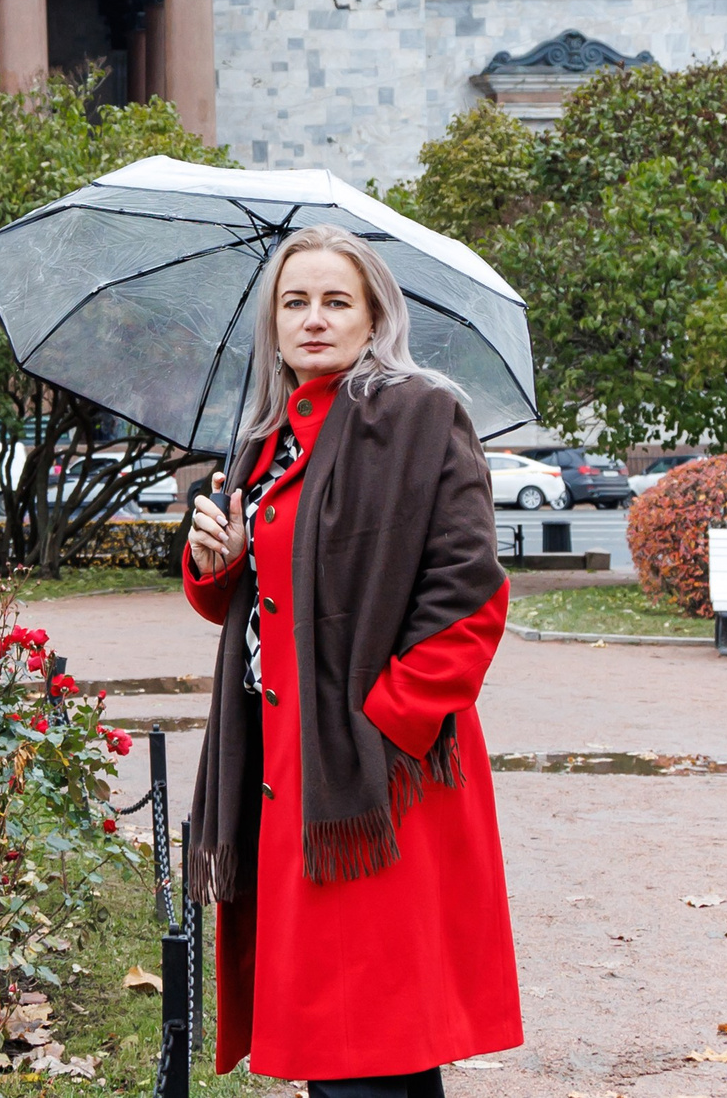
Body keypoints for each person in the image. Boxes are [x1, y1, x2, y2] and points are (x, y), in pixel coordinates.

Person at [181, 225, 522, 1095]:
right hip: (280, 766)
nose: (314, 319)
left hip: (374, 779)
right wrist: (215, 562)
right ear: (274, 322)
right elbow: (260, 597)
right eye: (295, 302)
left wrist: (387, 724)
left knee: (365, 1036)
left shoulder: (417, 415)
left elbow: (470, 593)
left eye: (337, 300)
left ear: (375, 316)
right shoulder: (265, 439)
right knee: (367, 1041)